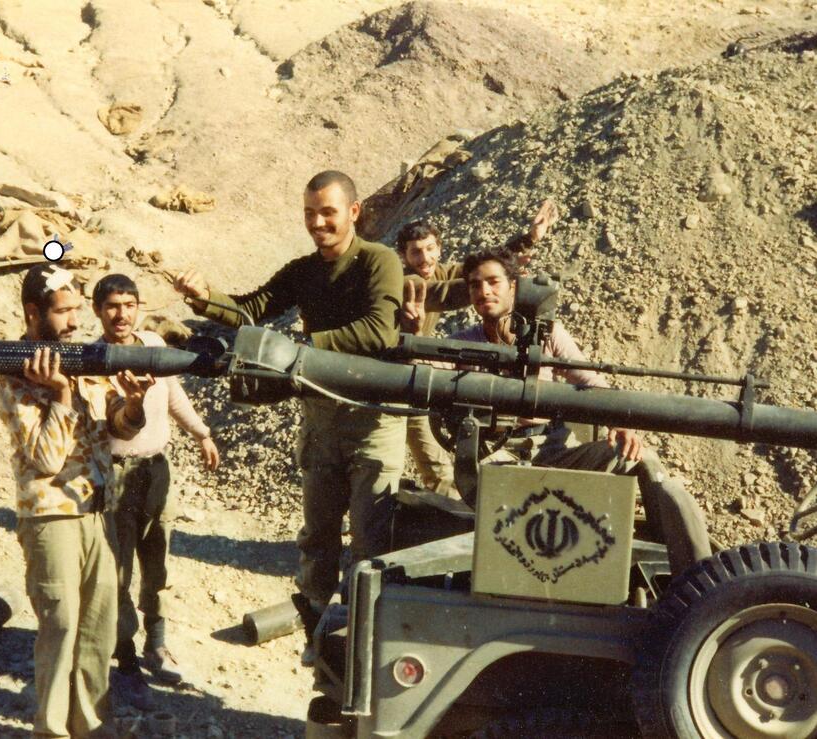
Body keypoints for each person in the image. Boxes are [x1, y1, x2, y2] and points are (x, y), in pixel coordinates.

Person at [173, 170, 405, 660]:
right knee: (318, 539)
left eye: (328, 213)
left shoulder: (379, 261)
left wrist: (302, 348)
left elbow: (378, 331)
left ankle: (366, 648)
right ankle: (320, 641)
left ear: (354, 212)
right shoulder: (304, 270)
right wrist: (204, 298)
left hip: (371, 420)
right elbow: (253, 308)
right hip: (320, 419)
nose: (317, 223)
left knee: (370, 544)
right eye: (309, 214)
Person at [406, 246, 711, 577]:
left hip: (554, 449)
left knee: (642, 459)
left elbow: (589, 381)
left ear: (513, 286)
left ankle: (697, 573)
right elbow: (422, 372)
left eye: (493, 282)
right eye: (475, 285)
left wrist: (620, 423)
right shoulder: (464, 342)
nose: (484, 291)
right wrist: (414, 333)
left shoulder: (548, 334)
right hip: (496, 455)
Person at [0, 263, 153, 738]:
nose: (73, 321)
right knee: (61, 626)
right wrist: (62, 394)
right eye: (63, 311)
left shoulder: (82, 361)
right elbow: (46, 459)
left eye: (76, 310)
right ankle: (52, 730)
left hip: (96, 513)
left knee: (98, 630)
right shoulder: (14, 376)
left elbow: (117, 426)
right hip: (51, 515)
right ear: (33, 312)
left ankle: (91, 728)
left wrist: (134, 404)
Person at [91, 273, 220, 709]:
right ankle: (125, 658)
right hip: (116, 476)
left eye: (129, 305)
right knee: (118, 569)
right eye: (112, 306)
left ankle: (157, 644)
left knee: (158, 560)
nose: (121, 314)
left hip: (156, 470)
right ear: (98, 310)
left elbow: (173, 394)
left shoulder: (152, 345)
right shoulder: (95, 359)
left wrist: (202, 433)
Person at [395, 201, 558, 497]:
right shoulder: (407, 281)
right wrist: (491, 288)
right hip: (396, 377)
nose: (425, 257)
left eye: (430, 249)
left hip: (416, 365)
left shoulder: (440, 271)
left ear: (440, 248)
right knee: (434, 466)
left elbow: (483, 263)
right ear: (403, 256)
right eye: (416, 252)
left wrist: (529, 239)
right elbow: (449, 292)